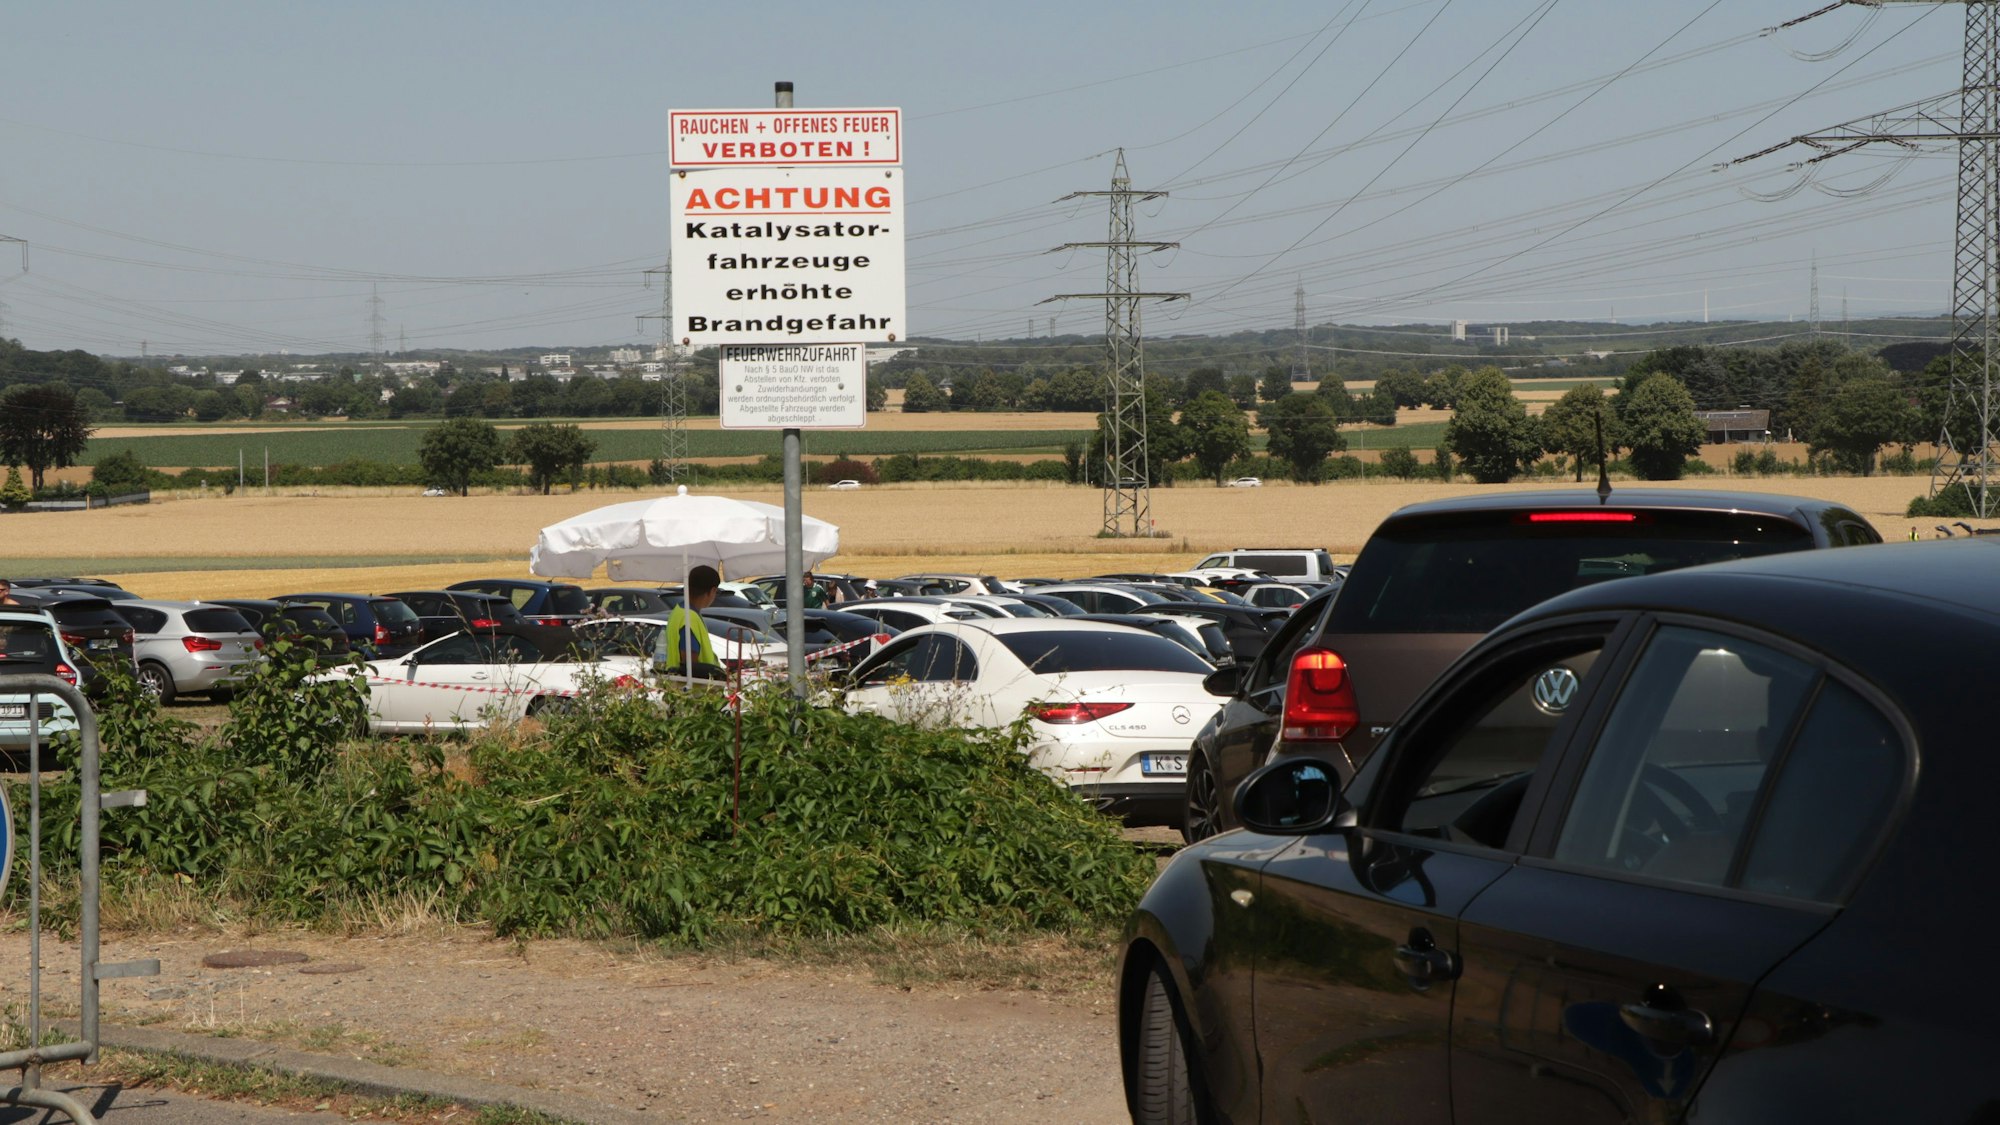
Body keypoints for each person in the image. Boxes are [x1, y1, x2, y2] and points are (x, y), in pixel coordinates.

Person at [665, 565, 726, 680]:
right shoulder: (690, 618)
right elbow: (690, 663)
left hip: (676, 684)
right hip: (695, 689)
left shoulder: (678, 612)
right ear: (712, 591)